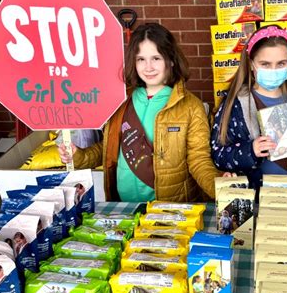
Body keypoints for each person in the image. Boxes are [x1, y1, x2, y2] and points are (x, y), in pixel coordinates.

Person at [58, 23, 221, 203]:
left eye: (156, 58)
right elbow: (108, 149)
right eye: (141, 59)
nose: (148, 67)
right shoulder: (120, 101)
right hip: (123, 207)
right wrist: (79, 156)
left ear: (171, 60)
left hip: (167, 209)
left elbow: (199, 160)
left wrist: (221, 189)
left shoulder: (191, 107)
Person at [211, 25, 287, 201]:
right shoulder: (235, 104)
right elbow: (218, 154)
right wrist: (250, 150)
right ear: (251, 64)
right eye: (265, 64)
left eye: (281, 63)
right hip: (252, 200)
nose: (273, 70)